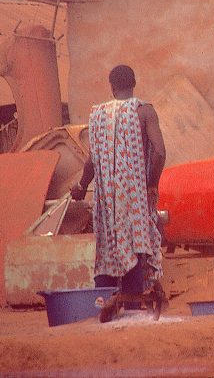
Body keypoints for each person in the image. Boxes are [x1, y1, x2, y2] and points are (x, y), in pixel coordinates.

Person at [70, 65, 166, 322]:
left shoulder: (97, 115)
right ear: (134, 83)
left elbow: (92, 161)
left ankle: (103, 305)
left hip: (106, 201)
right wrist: (150, 185)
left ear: (112, 87)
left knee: (108, 247)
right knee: (135, 245)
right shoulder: (144, 111)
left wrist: (81, 186)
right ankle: (132, 309)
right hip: (134, 197)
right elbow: (159, 152)